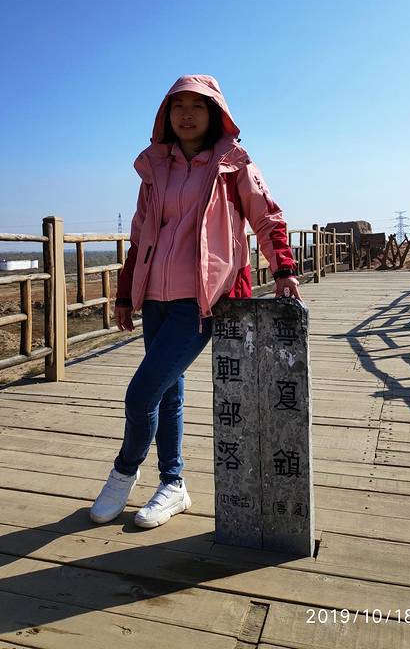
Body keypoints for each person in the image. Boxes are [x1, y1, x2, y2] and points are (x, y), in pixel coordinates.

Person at [89, 74, 301, 529]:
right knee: (167, 392)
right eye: (178, 106)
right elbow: (141, 234)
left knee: (140, 393)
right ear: (165, 114)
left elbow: (267, 217)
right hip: (156, 298)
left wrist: (283, 269)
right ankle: (173, 484)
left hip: (202, 300)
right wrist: (126, 293)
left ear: (215, 114)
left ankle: (124, 472)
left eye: (197, 106)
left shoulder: (233, 164)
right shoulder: (156, 168)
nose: (186, 114)